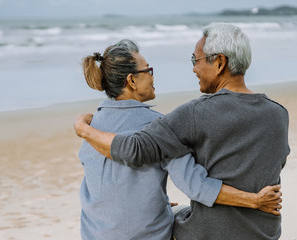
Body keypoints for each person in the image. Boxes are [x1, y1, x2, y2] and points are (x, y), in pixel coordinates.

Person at [74, 24, 289, 239]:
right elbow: (197, 186)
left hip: (95, 234)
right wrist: (254, 200)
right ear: (131, 80)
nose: (194, 68)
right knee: (175, 211)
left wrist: (83, 129)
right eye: (148, 70)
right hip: (263, 232)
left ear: (220, 63)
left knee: (174, 212)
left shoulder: (97, 124)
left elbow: (124, 164)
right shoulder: (279, 114)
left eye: (196, 60)